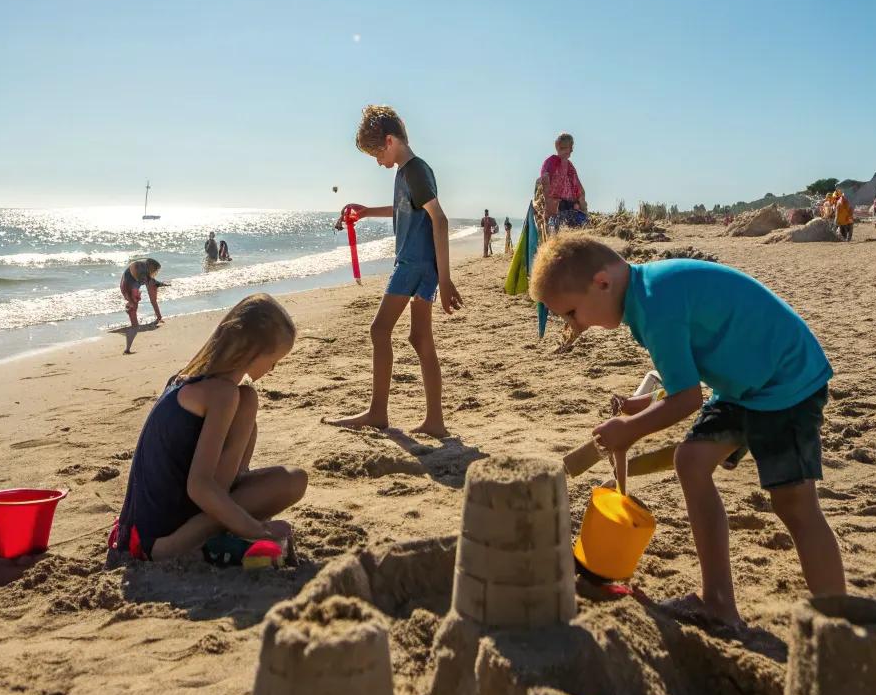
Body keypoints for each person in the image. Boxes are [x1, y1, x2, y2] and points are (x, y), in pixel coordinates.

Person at [529, 234, 846, 629]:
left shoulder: (656, 302)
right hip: (743, 386)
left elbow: (688, 399)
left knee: (795, 506)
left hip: (785, 381)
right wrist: (645, 406)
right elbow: (683, 376)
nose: (574, 326)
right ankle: (718, 601)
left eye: (572, 313)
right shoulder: (644, 298)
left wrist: (629, 429)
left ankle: (838, 625)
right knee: (691, 460)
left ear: (602, 282)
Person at [108, 295, 308, 562]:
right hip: (158, 538)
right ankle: (193, 543)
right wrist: (257, 529)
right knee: (288, 481)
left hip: (156, 520)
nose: (272, 369)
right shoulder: (222, 394)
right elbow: (200, 487)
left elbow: (220, 481)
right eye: (273, 361)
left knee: (291, 475)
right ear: (252, 350)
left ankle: (222, 529)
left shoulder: (195, 381)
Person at [328, 104, 462, 438]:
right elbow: (407, 209)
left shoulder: (415, 169)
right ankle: (435, 422)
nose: (377, 160)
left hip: (413, 264)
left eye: (376, 152)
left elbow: (439, 219)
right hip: (420, 265)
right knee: (419, 338)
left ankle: (377, 413)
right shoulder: (405, 172)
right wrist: (367, 210)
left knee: (378, 330)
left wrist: (445, 280)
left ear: (390, 141)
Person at [539, 133, 587, 225]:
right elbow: (545, 180)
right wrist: (549, 203)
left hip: (570, 206)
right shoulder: (552, 161)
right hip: (557, 206)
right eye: (570, 147)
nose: (572, 150)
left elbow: (578, 188)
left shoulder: (569, 166)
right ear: (562, 147)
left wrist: (579, 203)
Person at [119, 257, 166, 353]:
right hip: (129, 290)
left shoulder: (143, 269)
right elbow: (141, 278)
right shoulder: (141, 269)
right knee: (135, 325)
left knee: (135, 323)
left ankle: (158, 316)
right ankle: (127, 349)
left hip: (129, 289)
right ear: (152, 267)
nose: (155, 272)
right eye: (155, 270)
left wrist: (156, 283)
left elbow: (145, 279)